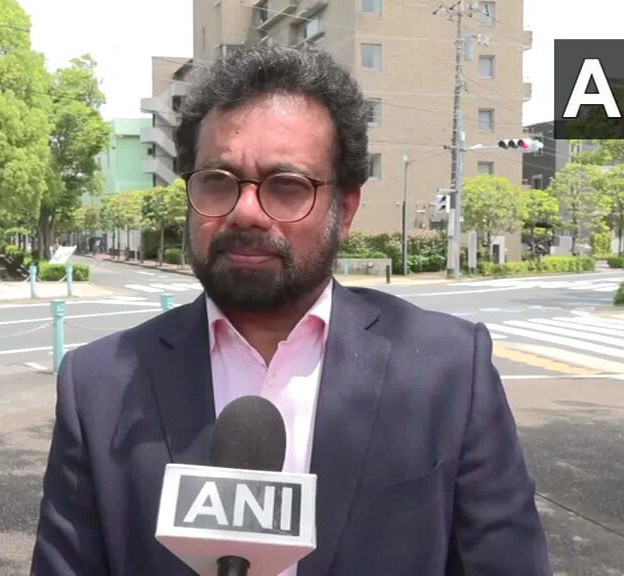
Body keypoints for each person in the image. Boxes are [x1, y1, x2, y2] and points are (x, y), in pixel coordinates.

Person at [31, 45, 551, 575]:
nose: (246, 212)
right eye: (217, 180)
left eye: (286, 186)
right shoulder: (99, 385)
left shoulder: (448, 370)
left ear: (344, 209)